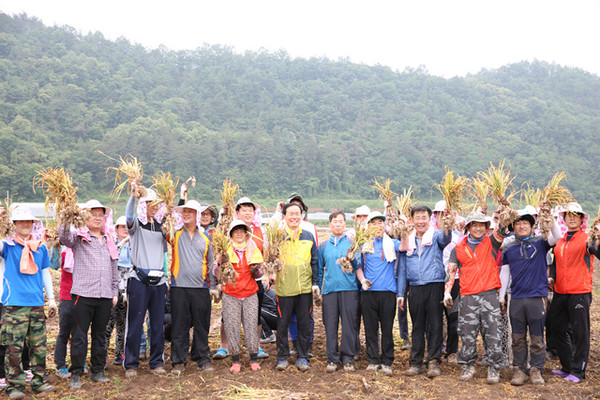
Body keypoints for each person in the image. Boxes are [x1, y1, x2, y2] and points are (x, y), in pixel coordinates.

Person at [58, 200, 119, 389]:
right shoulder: (79, 237)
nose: (97, 218)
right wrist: (68, 217)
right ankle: (76, 373)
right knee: (79, 335)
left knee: (100, 335)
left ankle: (97, 371)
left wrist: (114, 290)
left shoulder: (109, 239)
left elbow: (114, 267)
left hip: (104, 296)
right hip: (82, 295)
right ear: (86, 217)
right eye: (93, 214)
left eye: (101, 214)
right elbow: (63, 237)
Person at [499, 207, 561, 385]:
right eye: (517, 223)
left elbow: (556, 236)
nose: (521, 226)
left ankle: (536, 369)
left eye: (525, 222)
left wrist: (550, 218)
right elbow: (505, 273)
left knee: (536, 337)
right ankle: (519, 369)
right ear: (513, 227)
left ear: (531, 225)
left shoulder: (541, 242)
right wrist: (502, 296)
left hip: (537, 297)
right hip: (517, 298)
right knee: (517, 337)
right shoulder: (509, 246)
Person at [0, 206, 56, 398]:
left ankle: (39, 382)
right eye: (21, 222)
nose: (25, 225)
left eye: (29, 222)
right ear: (14, 225)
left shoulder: (39, 247)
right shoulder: (7, 246)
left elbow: (45, 273)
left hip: (36, 303)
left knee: (39, 347)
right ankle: (14, 387)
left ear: (33, 224)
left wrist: (52, 300)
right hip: (14, 305)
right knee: (14, 348)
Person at [444, 211, 506, 384]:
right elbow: (451, 272)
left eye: (481, 225)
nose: (478, 228)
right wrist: (447, 292)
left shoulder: (491, 242)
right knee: (467, 333)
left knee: (493, 333)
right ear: (468, 227)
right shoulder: (458, 249)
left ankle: (494, 367)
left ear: (486, 227)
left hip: (489, 295)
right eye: (474, 225)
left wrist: (505, 212)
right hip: (468, 297)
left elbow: (502, 228)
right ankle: (468, 365)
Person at [397, 205, 451, 378]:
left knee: (435, 324)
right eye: (417, 218)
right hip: (415, 287)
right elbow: (403, 269)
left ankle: (433, 361)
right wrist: (400, 293)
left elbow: (446, 238)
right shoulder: (407, 239)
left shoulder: (436, 236)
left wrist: (447, 223)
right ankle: (416, 362)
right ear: (412, 220)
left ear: (430, 219)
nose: (420, 221)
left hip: (434, 285)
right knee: (417, 326)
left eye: (424, 217)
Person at [549, 202, 600, 383]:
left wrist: (598, 237)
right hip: (560, 291)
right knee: (556, 327)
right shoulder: (561, 241)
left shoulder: (587, 239)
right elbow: (555, 263)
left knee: (580, 332)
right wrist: (551, 277)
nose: (571, 218)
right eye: (568, 215)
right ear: (564, 218)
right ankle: (567, 366)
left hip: (580, 291)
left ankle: (579, 371)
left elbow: (598, 252)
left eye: (575, 215)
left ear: (581, 219)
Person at [123, 185, 169, 377]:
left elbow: (173, 219)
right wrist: (133, 198)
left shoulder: (163, 228)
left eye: (156, 204)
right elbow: (129, 217)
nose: (153, 207)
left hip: (158, 282)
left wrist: (175, 199)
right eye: (148, 203)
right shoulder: (136, 228)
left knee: (157, 324)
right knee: (135, 323)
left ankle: (157, 362)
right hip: (138, 280)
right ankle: (131, 364)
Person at [268, 202, 318, 372]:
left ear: (301, 215)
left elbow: (315, 262)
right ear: (285, 216)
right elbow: (270, 260)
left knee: (304, 324)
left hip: (304, 289)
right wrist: (270, 274)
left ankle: (303, 357)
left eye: (298, 213)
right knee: (282, 324)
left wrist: (315, 284)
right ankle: (282, 357)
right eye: (291, 214)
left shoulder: (309, 236)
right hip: (284, 289)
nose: (295, 217)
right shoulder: (278, 237)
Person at [169, 200, 216, 374]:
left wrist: (213, 286)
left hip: (201, 288)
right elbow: (162, 228)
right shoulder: (174, 235)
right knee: (179, 325)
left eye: (190, 211)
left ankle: (202, 358)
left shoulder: (206, 237)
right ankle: (178, 361)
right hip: (179, 286)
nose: (186, 214)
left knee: (201, 324)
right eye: (184, 211)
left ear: (197, 215)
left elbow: (211, 264)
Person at [356, 211, 403, 376]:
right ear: (368, 226)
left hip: (388, 292)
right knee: (370, 328)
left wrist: (403, 230)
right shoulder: (362, 245)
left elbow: (404, 247)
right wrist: (362, 280)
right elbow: (358, 266)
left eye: (380, 223)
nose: (378, 226)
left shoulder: (392, 242)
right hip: (368, 292)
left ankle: (387, 361)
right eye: (373, 223)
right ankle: (373, 360)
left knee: (388, 328)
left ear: (385, 225)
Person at [317, 211, 359, 373]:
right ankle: (332, 358)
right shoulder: (323, 246)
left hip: (349, 290)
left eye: (341, 221)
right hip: (329, 291)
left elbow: (358, 265)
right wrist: (318, 291)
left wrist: (352, 257)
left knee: (349, 325)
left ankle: (348, 358)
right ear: (330, 225)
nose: (338, 224)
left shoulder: (352, 243)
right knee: (330, 325)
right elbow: (320, 270)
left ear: (345, 224)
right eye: (335, 221)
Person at [221, 220, 264, 373]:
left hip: (250, 293)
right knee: (232, 326)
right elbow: (215, 272)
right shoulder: (224, 250)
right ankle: (236, 360)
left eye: (242, 230)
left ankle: (253, 358)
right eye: (236, 230)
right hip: (230, 293)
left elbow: (260, 272)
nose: (239, 233)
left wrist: (256, 271)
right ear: (231, 233)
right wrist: (223, 265)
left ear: (246, 233)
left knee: (251, 326)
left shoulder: (253, 249)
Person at [104, 216, 131, 365]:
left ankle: (120, 354)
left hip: (127, 291)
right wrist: (122, 243)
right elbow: (111, 259)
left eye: (128, 227)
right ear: (116, 229)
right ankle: (104, 356)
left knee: (123, 324)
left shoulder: (134, 245)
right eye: (122, 227)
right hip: (113, 290)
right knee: (108, 324)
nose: (125, 230)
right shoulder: (111, 243)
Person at [53, 246, 75, 379]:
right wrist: (55, 247)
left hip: (82, 296)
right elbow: (54, 265)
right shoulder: (64, 250)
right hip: (66, 296)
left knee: (80, 333)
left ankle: (79, 362)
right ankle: (60, 365)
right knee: (64, 333)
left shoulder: (85, 247)